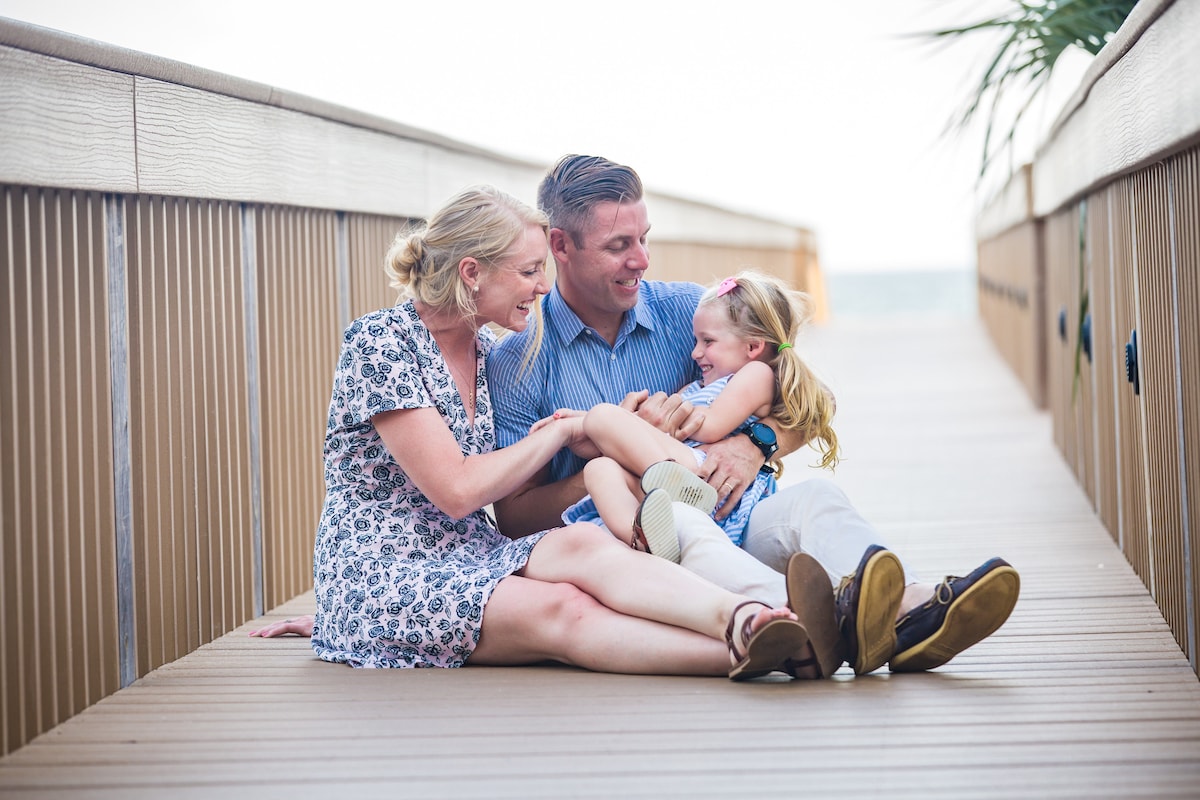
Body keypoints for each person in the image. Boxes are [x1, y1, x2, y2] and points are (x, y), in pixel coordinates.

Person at [251, 184, 848, 681]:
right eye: (530, 270)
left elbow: (791, 388)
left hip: (472, 555)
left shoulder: (487, 352)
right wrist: (565, 433)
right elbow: (457, 491)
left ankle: (752, 615)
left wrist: (747, 443)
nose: (543, 286)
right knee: (566, 605)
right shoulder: (381, 342)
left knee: (584, 543)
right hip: (385, 572)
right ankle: (772, 646)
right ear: (471, 273)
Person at [485, 154, 1020, 677]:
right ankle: (817, 621)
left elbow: (812, 400)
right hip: (642, 555)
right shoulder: (518, 361)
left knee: (816, 499)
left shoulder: (689, 312)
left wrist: (752, 445)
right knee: (684, 523)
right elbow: (514, 517)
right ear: (561, 246)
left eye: (644, 238)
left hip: (735, 518)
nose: (642, 260)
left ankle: (913, 609)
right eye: (618, 245)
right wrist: (620, 460)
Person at [541, 269, 838, 564]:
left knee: (603, 416)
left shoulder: (756, 375)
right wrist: (588, 426)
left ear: (753, 347)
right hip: (676, 473)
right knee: (599, 469)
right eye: (697, 341)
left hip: (709, 474)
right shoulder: (700, 386)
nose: (695, 353)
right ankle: (642, 536)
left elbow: (709, 427)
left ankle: (678, 491)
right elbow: (648, 427)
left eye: (707, 341)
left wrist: (600, 421)